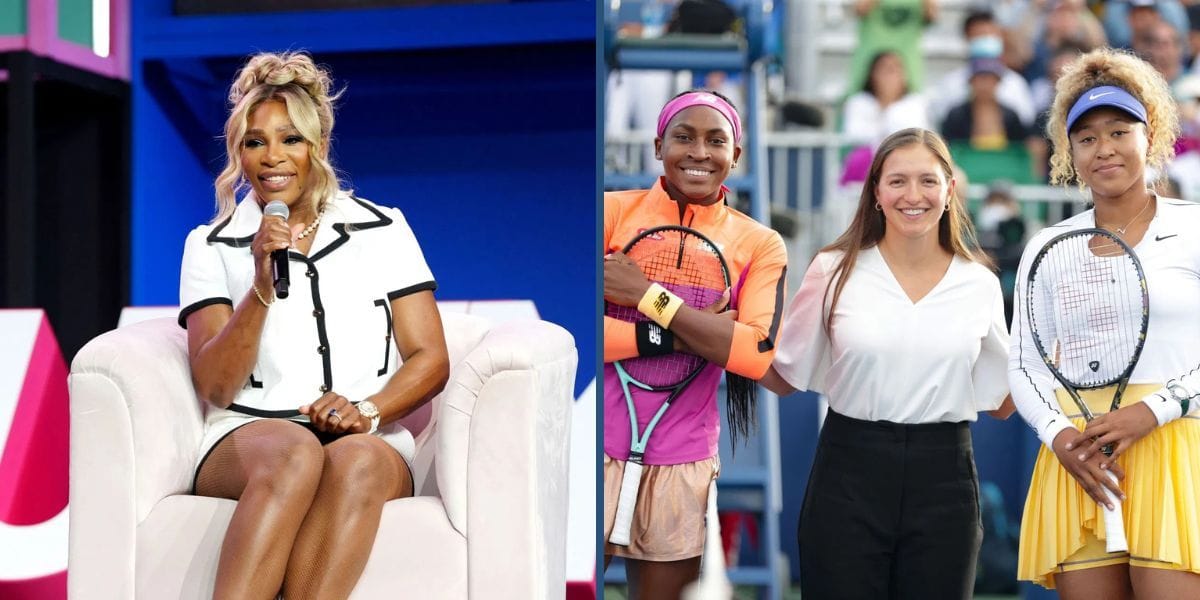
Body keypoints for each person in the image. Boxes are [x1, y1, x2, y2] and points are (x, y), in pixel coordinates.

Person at [178, 51, 449, 599]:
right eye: (255, 142)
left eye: (291, 139)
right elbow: (216, 386)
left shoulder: (383, 228)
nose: (272, 157)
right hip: (247, 432)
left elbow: (431, 358)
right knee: (294, 452)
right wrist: (260, 282)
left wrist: (367, 411)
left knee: (358, 462)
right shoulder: (210, 245)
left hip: (366, 432)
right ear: (239, 153)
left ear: (319, 146)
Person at [759, 127, 1015, 599]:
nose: (913, 195)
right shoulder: (832, 269)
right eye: (897, 181)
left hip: (946, 483)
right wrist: (707, 327)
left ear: (949, 190)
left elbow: (1002, 402)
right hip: (847, 475)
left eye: (927, 181)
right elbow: (783, 376)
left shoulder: (979, 283)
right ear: (876, 191)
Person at [1008, 47, 1200, 596]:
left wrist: (1153, 410)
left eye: (1119, 131)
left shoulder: (1195, 228)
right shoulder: (1046, 245)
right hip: (1079, 458)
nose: (1105, 148)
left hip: (1174, 450)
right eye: (1087, 138)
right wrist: (1060, 438)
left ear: (1150, 134)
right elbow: (1024, 364)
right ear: (1069, 152)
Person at [601, 89, 788, 599]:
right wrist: (693, 334)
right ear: (658, 146)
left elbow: (753, 355)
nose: (699, 152)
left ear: (736, 154)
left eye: (716, 140)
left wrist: (645, 296)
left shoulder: (760, 244)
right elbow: (583, 333)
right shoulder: (610, 213)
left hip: (684, 463)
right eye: (684, 137)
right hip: (594, 447)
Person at [841, 50, 931, 147]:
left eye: (894, 70)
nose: (889, 76)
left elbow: (917, 135)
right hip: (866, 155)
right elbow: (853, 134)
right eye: (884, 70)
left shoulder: (915, 103)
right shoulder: (858, 102)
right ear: (872, 75)